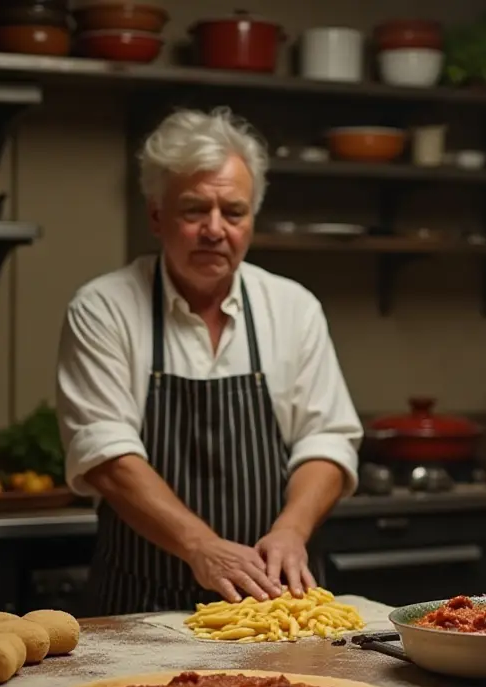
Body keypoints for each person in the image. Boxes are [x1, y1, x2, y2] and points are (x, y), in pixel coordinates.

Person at [55, 107, 362, 615]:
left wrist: (290, 530)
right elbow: (107, 457)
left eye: (234, 212)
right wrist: (200, 546)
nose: (215, 230)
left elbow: (327, 439)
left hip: (274, 603)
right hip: (142, 605)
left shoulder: (292, 307)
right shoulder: (103, 308)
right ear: (156, 216)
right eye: (194, 210)